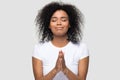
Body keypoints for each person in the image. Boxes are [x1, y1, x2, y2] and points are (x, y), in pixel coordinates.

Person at [32, 1, 89, 80]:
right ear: (48, 25)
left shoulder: (81, 48)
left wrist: (65, 69)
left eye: (64, 20)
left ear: (69, 24)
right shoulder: (39, 48)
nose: (59, 23)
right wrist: (55, 70)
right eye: (54, 20)